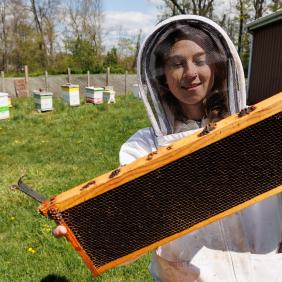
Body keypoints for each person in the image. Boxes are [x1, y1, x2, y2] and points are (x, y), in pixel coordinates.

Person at [54, 15, 282, 281]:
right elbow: (133, 228)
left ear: (218, 66)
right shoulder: (141, 148)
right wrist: (92, 226)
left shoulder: (258, 128)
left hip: (264, 270)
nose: (190, 72)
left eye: (199, 60)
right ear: (162, 77)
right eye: (177, 64)